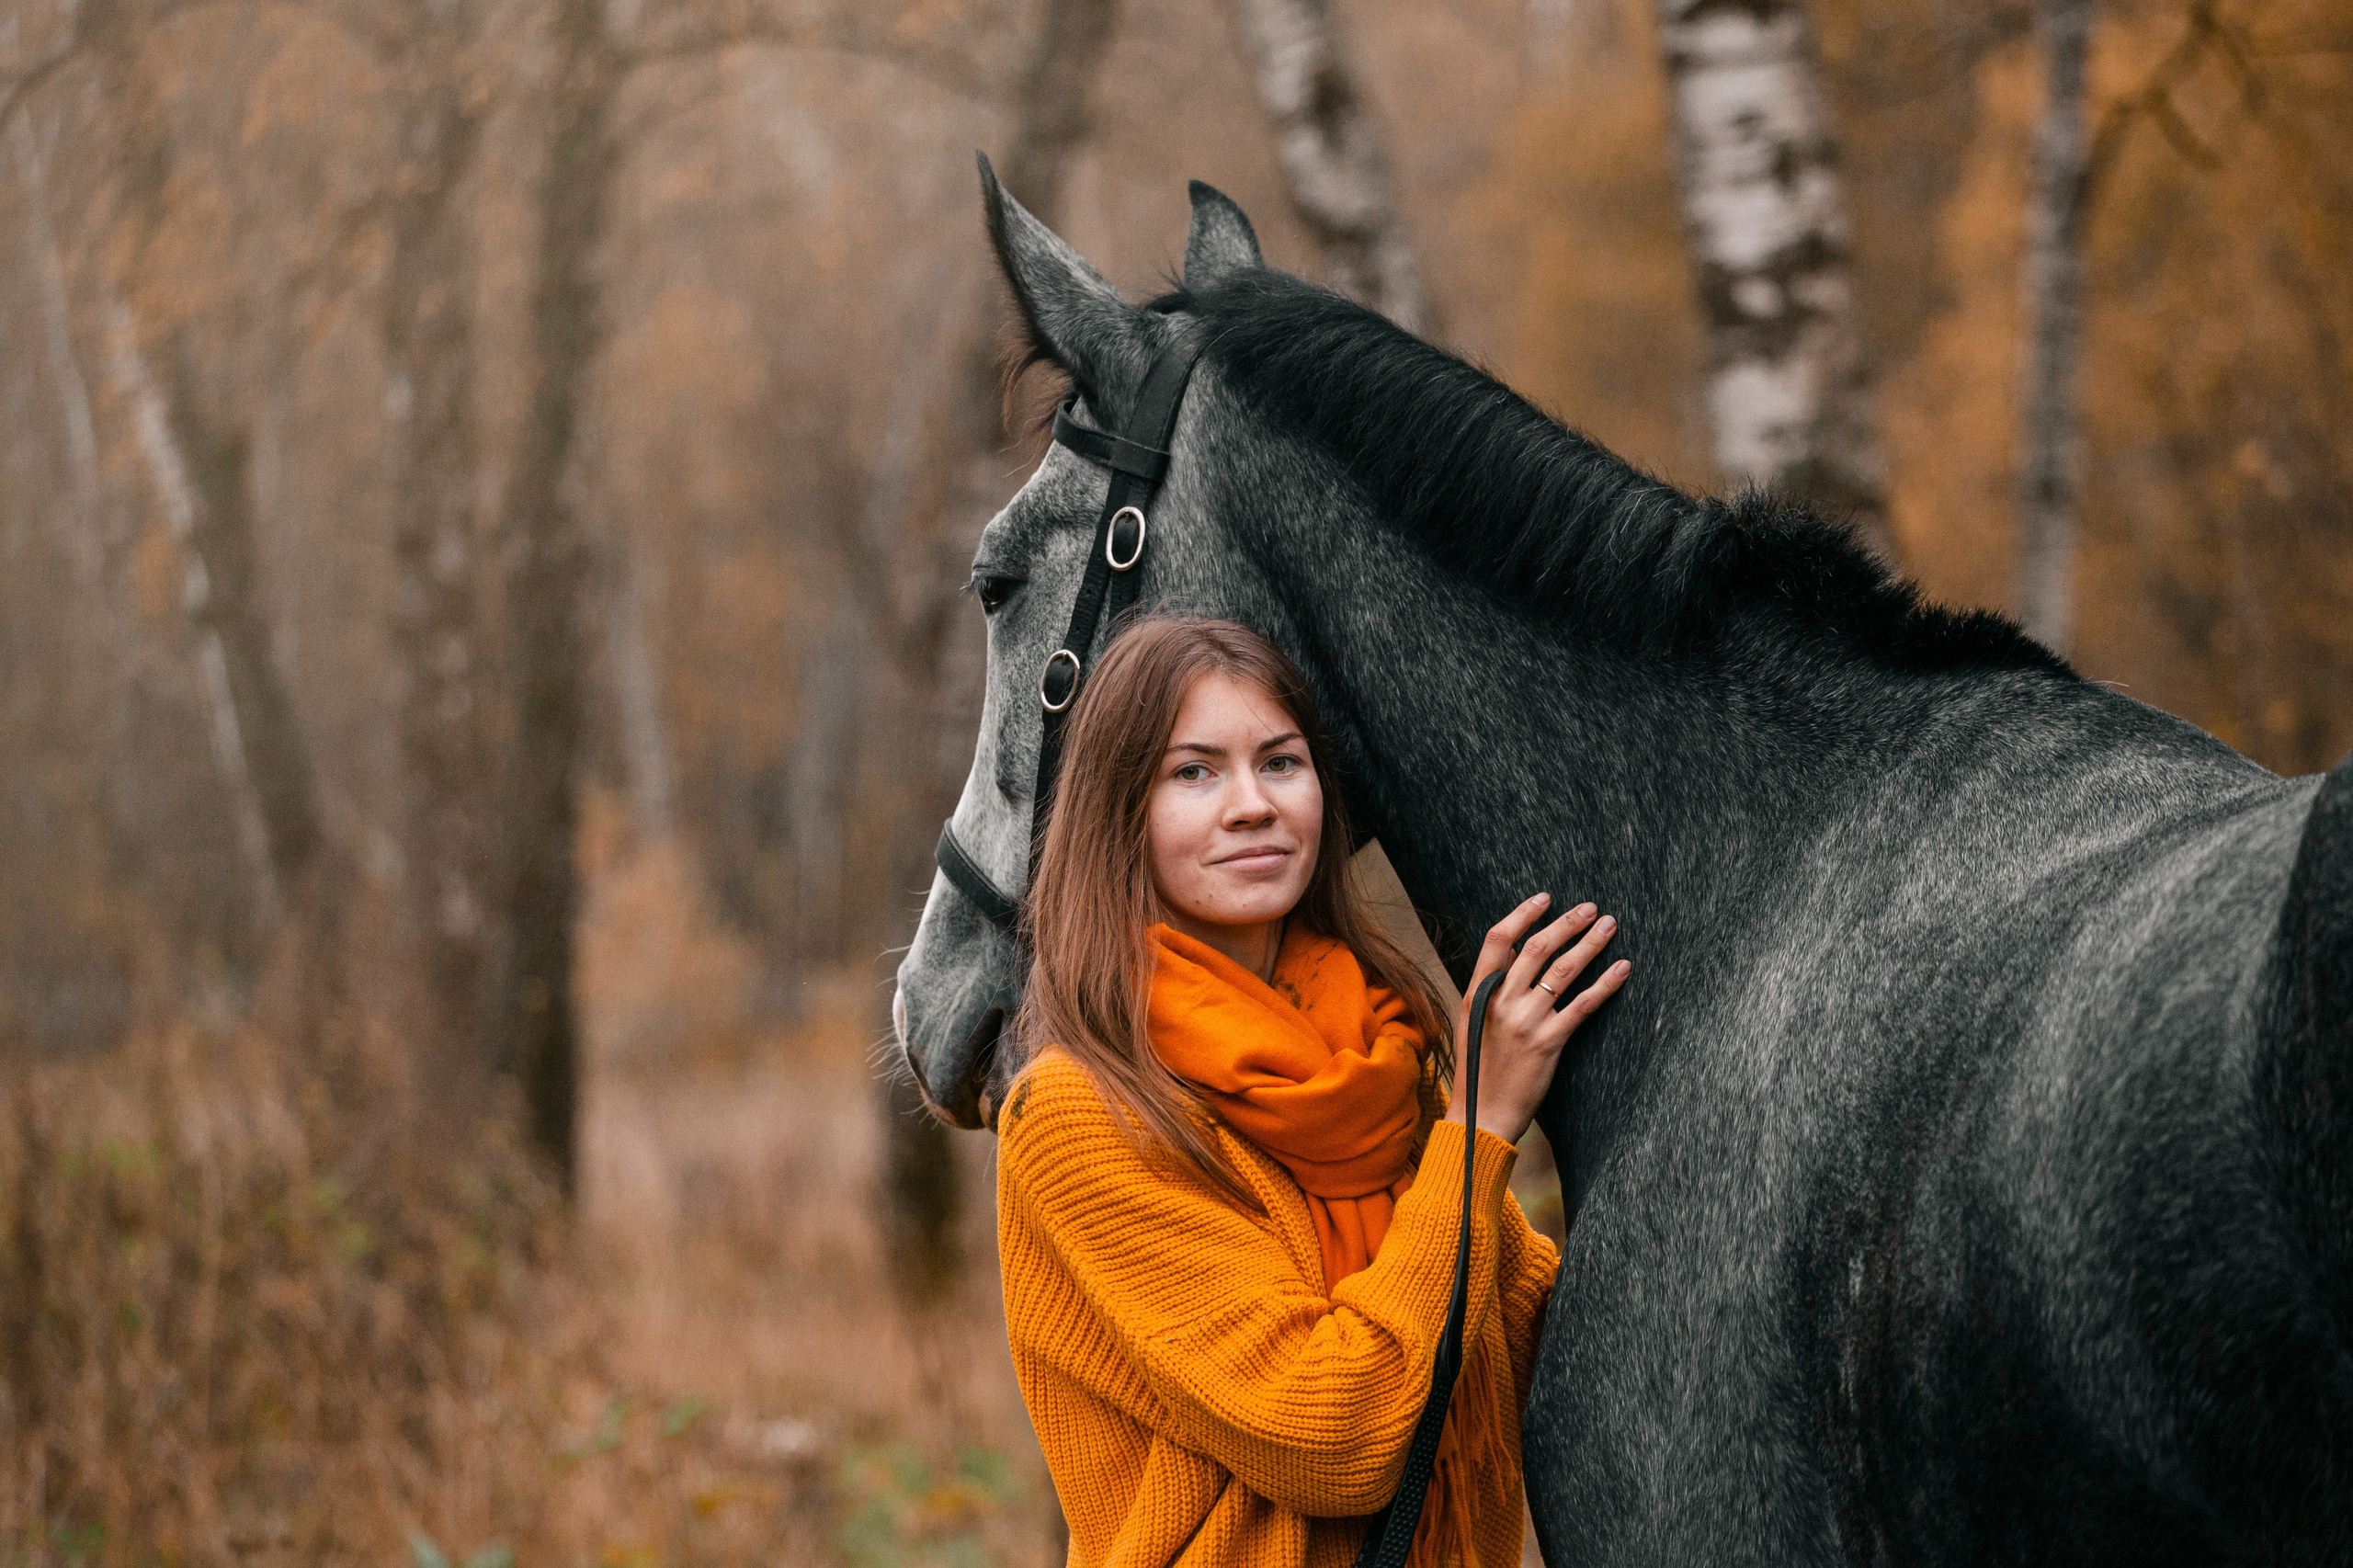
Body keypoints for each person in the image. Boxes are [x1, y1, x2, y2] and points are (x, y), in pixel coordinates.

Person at [995, 614, 1629, 1568]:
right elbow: (1336, 1438)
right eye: (1194, 771)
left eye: (1281, 762)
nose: (1251, 803)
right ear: (1117, 810)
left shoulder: (1376, 1059)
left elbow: (1537, 1343)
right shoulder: (1080, 1115)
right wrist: (1478, 1124)